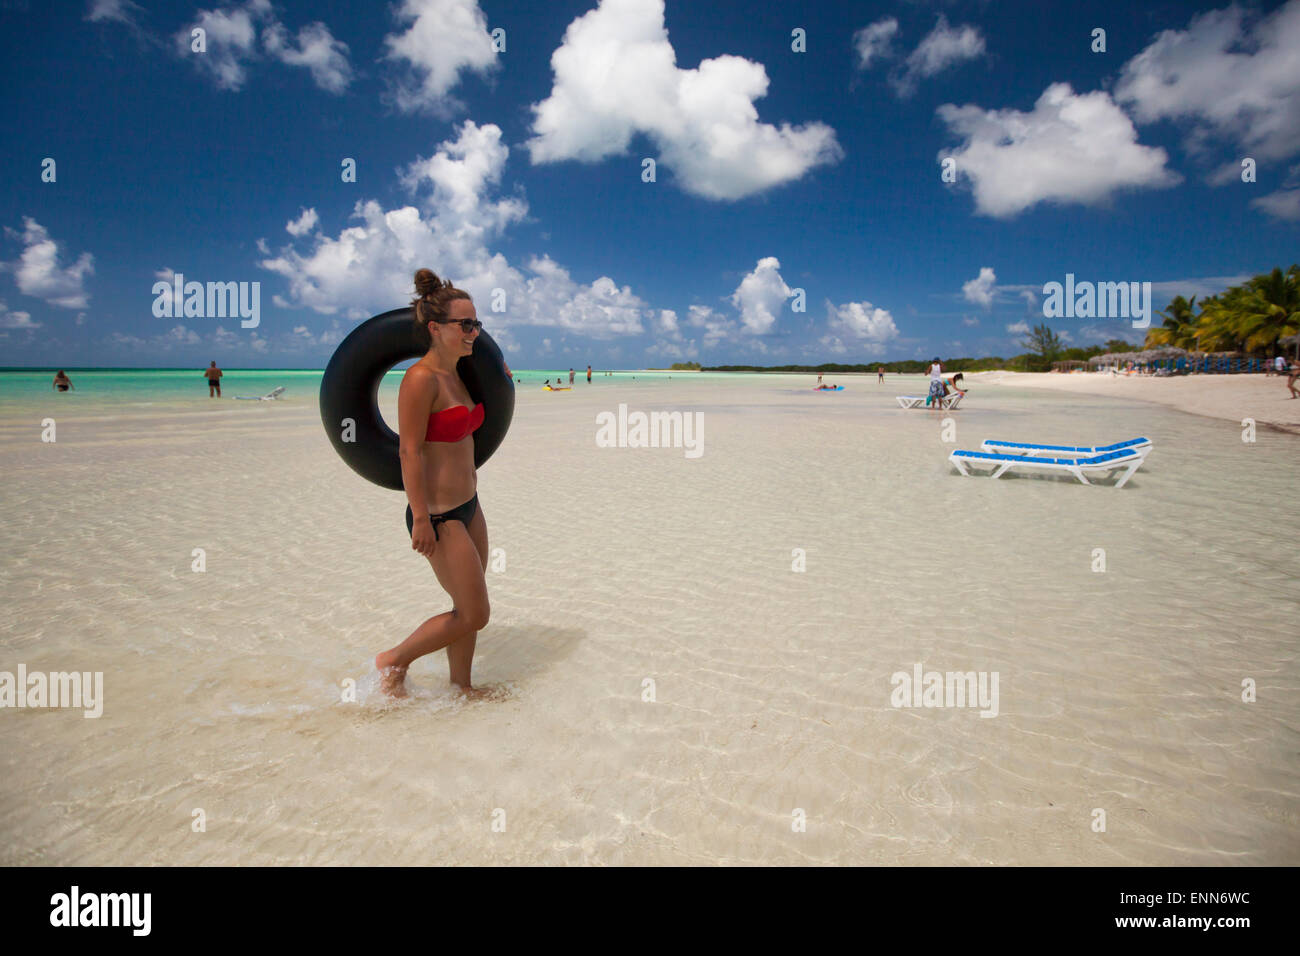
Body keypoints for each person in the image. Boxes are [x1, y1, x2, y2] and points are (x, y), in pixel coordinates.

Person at [374, 268, 493, 699]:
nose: (473, 332)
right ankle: (394, 659)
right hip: (440, 516)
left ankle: (462, 687)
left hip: (470, 505)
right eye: (465, 325)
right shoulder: (419, 380)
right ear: (435, 328)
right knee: (476, 613)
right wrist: (421, 518)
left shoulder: (461, 372)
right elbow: (409, 452)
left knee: (467, 606)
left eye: (476, 324)